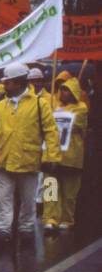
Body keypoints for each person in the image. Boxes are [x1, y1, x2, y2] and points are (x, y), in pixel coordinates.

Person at [0, 60, 61, 244]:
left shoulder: (40, 104)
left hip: (28, 161)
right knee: (3, 199)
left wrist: (52, 156)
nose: (4, 85)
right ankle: (3, 229)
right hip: (5, 161)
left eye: (8, 82)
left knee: (28, 200)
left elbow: (51, 131)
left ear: (19, 82)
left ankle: (26, 228)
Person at [44, 73, 89, 234]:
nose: (63, 93)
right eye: (61, 89)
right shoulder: (51, 104)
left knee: (69, 192)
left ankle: (66, 219)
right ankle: (50, 218)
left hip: (71, 156)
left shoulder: (81, 107)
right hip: (51, 154)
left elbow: (76, 124)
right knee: (50, 188)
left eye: (66, 90)